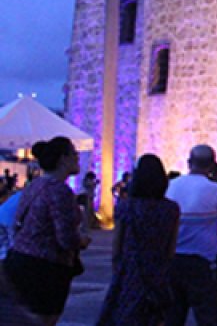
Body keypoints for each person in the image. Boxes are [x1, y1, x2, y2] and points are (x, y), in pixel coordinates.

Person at [2, 137, 90, 323]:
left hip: (20, 260)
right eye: (74, 154)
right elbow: (66, 239)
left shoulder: (34, 185)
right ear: (63, 159)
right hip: (45, 269)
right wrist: (82, 240)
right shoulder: (60, 191)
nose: (77, 158)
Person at [97, 154, 181, 326]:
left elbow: (117, 244)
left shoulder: (126, 206)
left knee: (126, 316)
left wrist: (118, 268)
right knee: (154, 316)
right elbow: (171, 247)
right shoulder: (171, 209)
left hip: (130, 269)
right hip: (157, 270)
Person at [165, 144, 217, 326]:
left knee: (172, 317)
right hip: (203, 263)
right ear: (212, 166)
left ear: (189, 162)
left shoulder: (172, 186)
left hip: (173, 260)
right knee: (207, 318)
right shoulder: (214, 190)